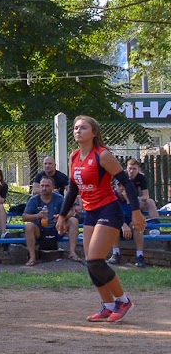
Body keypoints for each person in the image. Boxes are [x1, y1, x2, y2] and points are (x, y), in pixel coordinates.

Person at [56, 115, 142, 323]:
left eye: (83, 128)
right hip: (91, 213)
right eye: (76, 128)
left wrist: (136, 210)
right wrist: (62, 215)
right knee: (91, 263)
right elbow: (73, 189)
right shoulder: (74, 156)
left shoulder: (103, 155)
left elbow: (126, 183)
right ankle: (108, 305)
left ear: (94, 133)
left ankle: (123, 301)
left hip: (109, 211)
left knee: (95, 260)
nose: (78, 131)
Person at [23, 177, 77, 266]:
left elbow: (71, 212)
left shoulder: (59, 198)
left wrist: (61, 217)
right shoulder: (34, 199)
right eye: (42, 186)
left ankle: (72, 253)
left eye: (47, 186)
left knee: (73, 221)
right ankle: (32, 258)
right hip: (40, 230)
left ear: (53, 187)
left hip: (58, 228)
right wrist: (37, 216)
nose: (44, 188)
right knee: (29, 226)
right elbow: (24, 217)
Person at [111, 181, 146, 268]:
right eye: (119, 185)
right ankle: (116, 253)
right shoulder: (111, 196)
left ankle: (139, 256)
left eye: (124, 185)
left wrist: (128, 200)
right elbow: (112, 214)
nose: (122, 188)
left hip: (130, 224)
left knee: (137, 226)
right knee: (113, 225)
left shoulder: (132, 196)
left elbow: (136, 214)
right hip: (117, 223)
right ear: (115, 187)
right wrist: (123, 224)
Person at [125, 158, 160, 226]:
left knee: (150, 201)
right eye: (130, 168)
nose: (131, 171)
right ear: (127, 168)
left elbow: (146, 195)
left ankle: (154, 224)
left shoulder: (141, 177)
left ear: (138, 169)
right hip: (123, 203)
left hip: (135, 201)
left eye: (134, 169)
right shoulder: (122, 176)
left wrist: (137, 199)